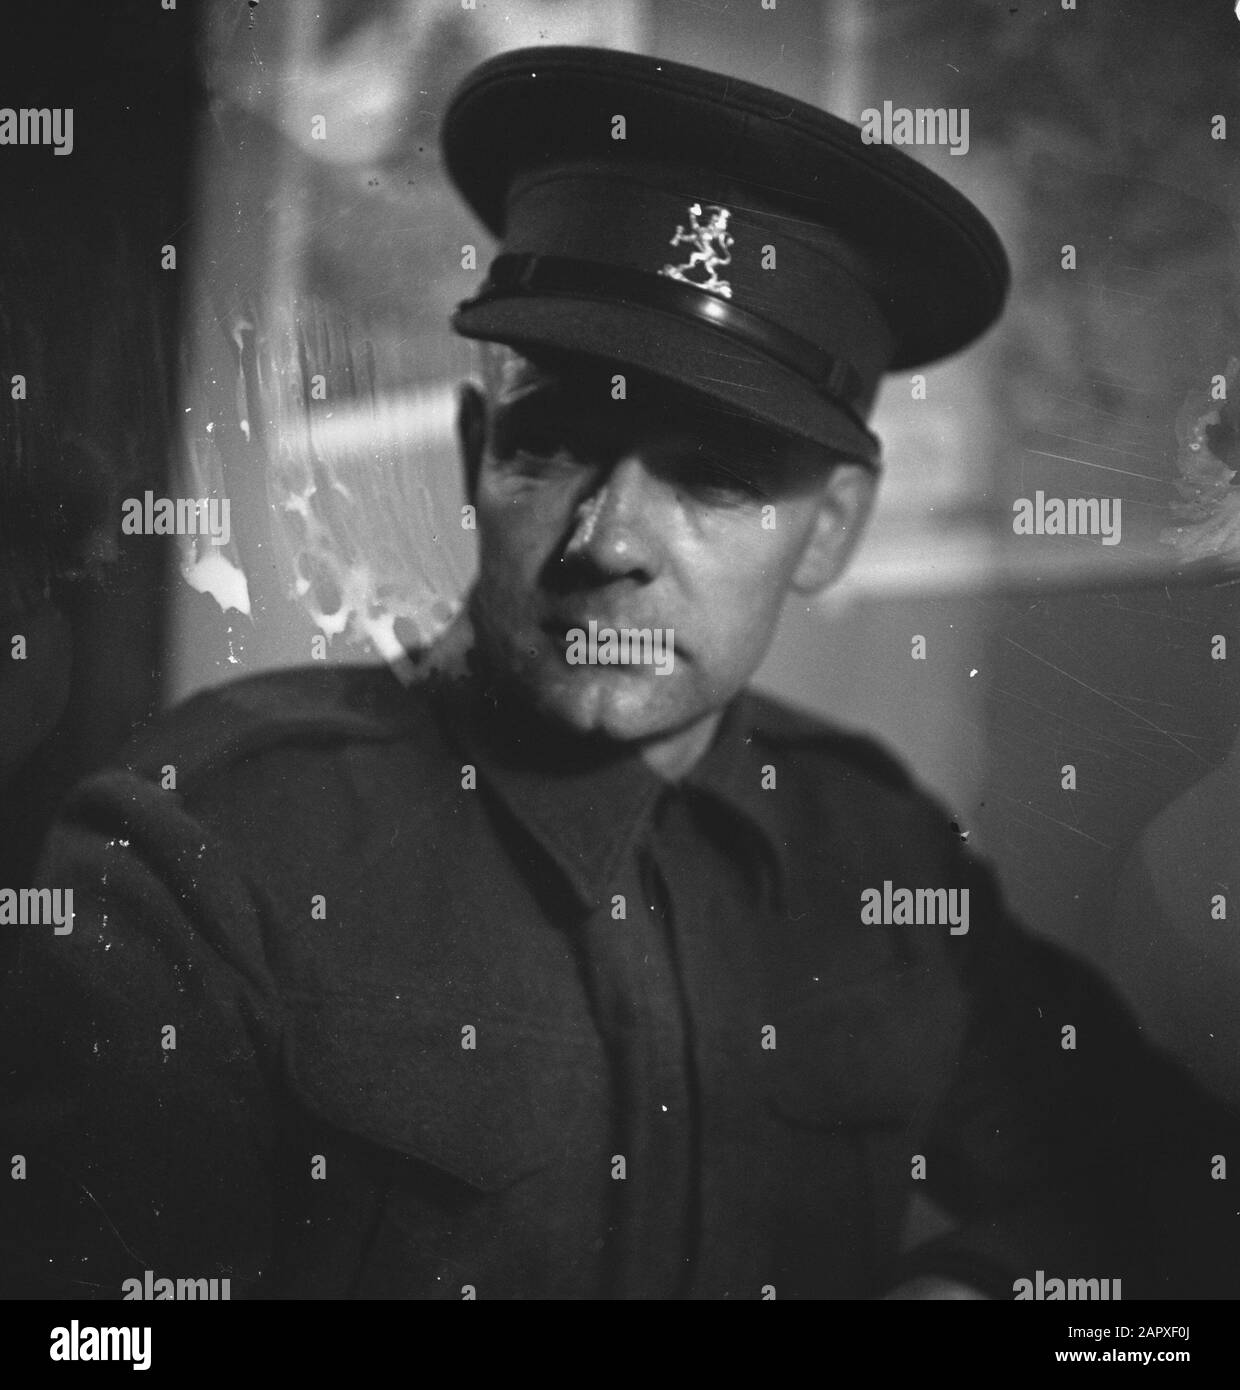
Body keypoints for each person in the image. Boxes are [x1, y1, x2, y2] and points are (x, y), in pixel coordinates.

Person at [2, 45, 1236, 1302]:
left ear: (829, 529)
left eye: (713, 474)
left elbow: (1167, 1178)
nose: (608, 542)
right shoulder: (204, 848)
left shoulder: (876, 848)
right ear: (476, 454)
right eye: (552, 443)